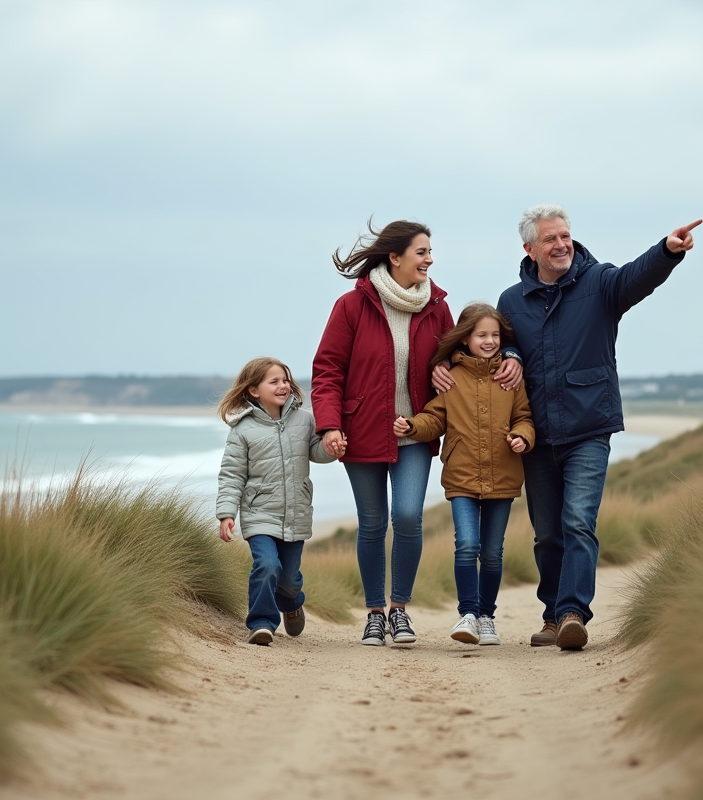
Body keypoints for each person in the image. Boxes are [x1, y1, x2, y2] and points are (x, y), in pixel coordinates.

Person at [496, 204, 701, 651]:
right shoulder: (512, 301)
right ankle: (552, 616)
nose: (561, 245)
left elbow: (637, 277)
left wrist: (667, 251)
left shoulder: (600, 283)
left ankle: (572, 613)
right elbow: (502, 342)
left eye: (565, 236)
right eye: (550, 239)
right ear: (529, 248)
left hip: (590, 426)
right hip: (536, 434)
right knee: (547, 532)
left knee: (578, 522)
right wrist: (509, 354)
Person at [311, 220, 522, 647]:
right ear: (395, 257)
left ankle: (400, 610)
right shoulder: (351, 307)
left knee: (407, 516)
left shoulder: (437, 307)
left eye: (430, 252)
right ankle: (374, 613)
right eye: (422, 252)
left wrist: (509, 352)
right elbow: (327, 370)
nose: (430, 259)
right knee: (371, 525)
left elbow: (467, 347)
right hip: (363, 431)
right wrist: (330, 424)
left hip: (417, 428)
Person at [393, 303, 535, 646]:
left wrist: (523, 437)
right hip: (462, 476)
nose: (489, 341)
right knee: (467, 544)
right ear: (465, 338)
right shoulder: (451, 378)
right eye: (481, 335)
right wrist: (412, 425)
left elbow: (525, 417)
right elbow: (435, 418)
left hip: (503, 475)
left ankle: (487, 617)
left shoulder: (511, 377)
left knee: (492, 552)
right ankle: (468, 614)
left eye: (495, 335)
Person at [216, 356, 336, 646]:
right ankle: (261, 623)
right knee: (267, 565)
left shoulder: (305, 419)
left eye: (285, 380)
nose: (283, 385)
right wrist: (226, 513)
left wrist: (332, 448)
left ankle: (292, 602)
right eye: (274, 381)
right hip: (259, 513)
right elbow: (232, 475)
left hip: (296, 511)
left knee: (289, 579)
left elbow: (316, 454)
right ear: (254, 390)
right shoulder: (242, 429)